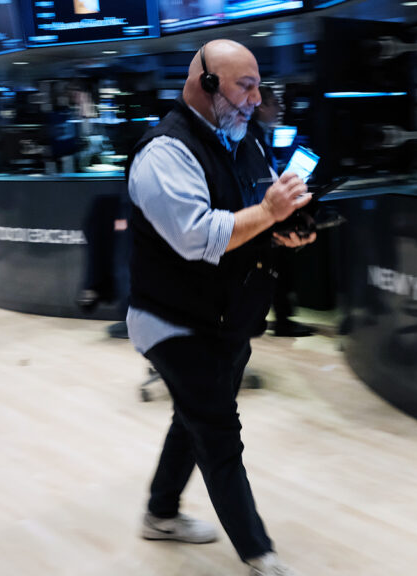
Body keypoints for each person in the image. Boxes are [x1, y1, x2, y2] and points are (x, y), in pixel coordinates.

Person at [126, 39, 315, 576]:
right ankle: (261, 554)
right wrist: (268, 210)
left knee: (193, 418)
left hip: (226, 316)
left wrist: (280, 232)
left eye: (259, 86)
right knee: (216, 427)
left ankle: (159, 513)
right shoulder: (165, 153)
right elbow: (196, 237)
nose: (257, 99)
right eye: (245, 86)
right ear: (205, 85)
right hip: (172, 321)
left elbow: (248, 220)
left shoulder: (246, 139)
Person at [247, 85, 316, 338]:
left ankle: (281, 318)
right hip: (261, 216)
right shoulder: (249, 136)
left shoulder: (260, 135)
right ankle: (275, 320)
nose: (280, 108)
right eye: (276, 103)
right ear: (261, 106)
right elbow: (260, 179)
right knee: (270, 269)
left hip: (269, 213)